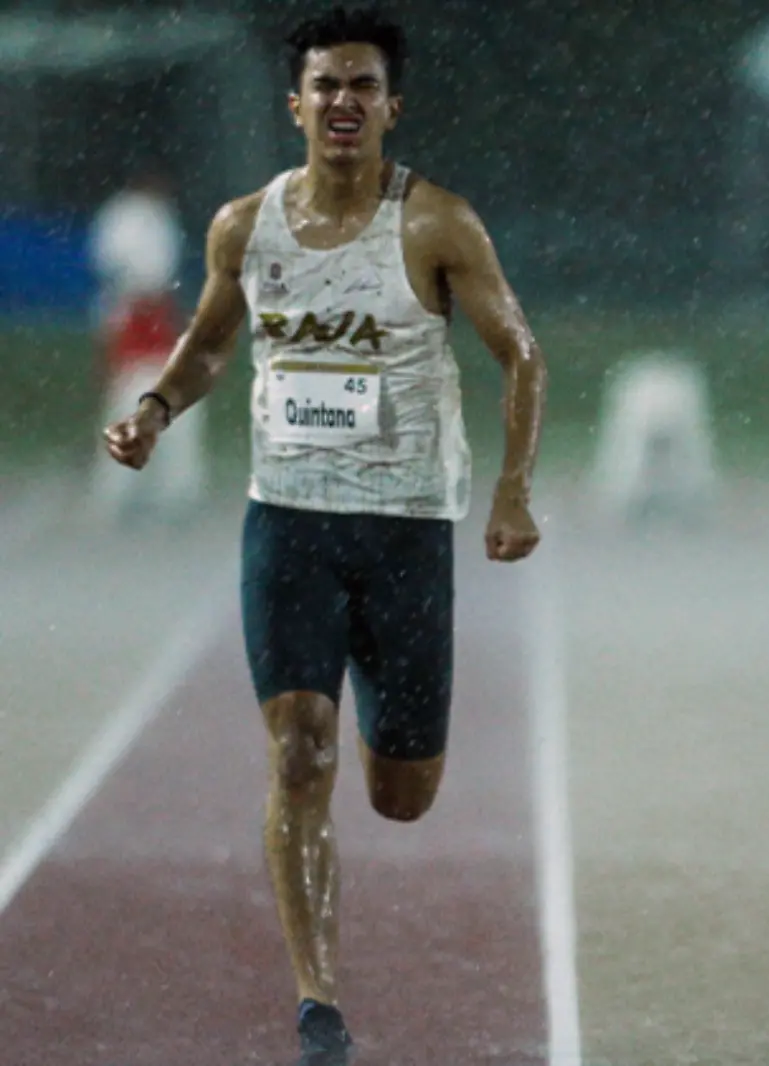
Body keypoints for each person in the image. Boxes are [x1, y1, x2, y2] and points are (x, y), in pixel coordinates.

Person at [101, 8, 548, 1063]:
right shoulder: (241, 225)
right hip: (289, 519)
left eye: (363, 86)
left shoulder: (437, 223)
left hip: (404, 531)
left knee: (400, 793)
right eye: (325, 85)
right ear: (294, 104)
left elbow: (520, 355)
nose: (343, 102)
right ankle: (319, 1008)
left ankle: (375, 700)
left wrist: (514, 491)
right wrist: (158, 409)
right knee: (298, 753)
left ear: (392, 107)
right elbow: (212, 344)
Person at [88, 163, 207, 518]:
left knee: (179, 416)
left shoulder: (160, 218)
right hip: (135, 343)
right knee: (129, 410)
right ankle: (116, 498)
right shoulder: (122, 221)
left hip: (157, 340)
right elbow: (117, 307)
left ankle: (175, 495)